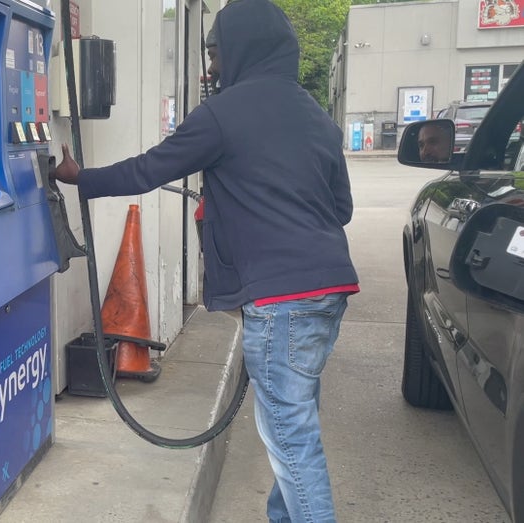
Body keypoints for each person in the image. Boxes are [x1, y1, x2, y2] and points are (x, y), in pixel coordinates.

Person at [52, 0, 358, 521]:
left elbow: (150, 169)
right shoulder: (314, 113)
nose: (210, 68)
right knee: (295, 426)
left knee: (292, 441)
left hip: (281, 300)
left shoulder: (223, 114)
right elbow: (341, 208)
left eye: (214, 54)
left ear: (240, 49)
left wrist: (82, 178)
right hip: (328, 291)